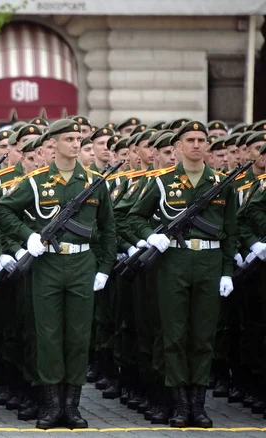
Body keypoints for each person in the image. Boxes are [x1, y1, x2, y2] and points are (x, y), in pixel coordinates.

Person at [0, 118, 116, 430]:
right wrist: (28, 236)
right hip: (47, 265)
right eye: (70, 139)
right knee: (47, 336)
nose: (76, 144)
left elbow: (107, 231)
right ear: (54, 144)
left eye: (79, 139)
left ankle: (71, 408)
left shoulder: (94, 182)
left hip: (81, 265)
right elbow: (1, 209)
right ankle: (50, 406)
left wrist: (103, 268)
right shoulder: (35, 182)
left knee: (77, 337)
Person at [127, 121, 237, 429]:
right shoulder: (163, 182)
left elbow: (231, 232)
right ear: (178, 146)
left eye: (202, 140)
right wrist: (152, 236)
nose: (197, 144)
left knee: (202, 337)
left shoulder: (221, 182)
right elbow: (135, 217)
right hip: (174, 260)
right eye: (190, 139)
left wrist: (227, 271)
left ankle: (198, 406)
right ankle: (178, 404)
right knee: (174, 335)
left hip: (210, 261)